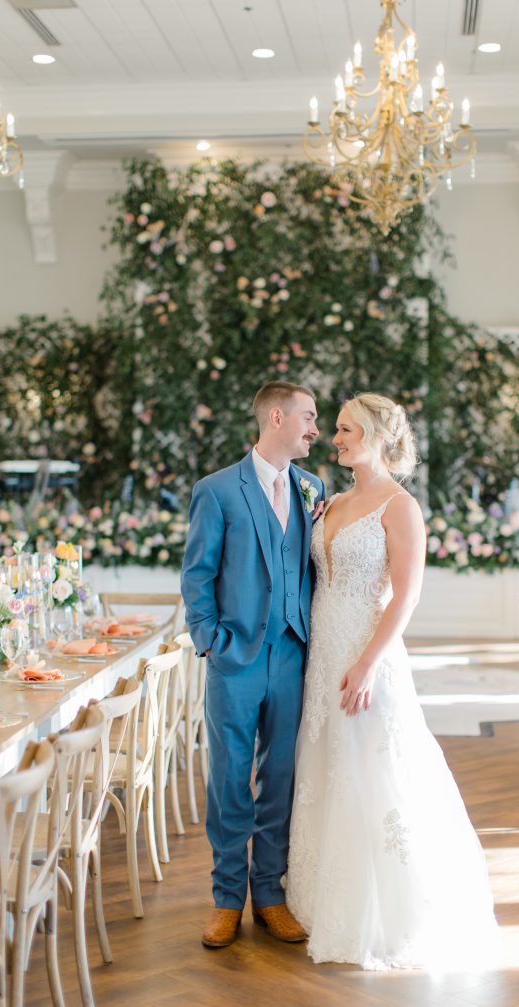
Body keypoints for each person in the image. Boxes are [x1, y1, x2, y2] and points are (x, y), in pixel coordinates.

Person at [286, 392, 498, 971]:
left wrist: (368, 663)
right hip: (322, 654)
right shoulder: (331, 502)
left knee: (373, 770)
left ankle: (382, 911)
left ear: (379, 435)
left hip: (365, 654)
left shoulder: (399, 507)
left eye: (347, 428)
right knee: (327, 763)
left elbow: (406, 596)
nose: (336, 437)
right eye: (335, 428)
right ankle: (318, 896)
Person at [181, 381, 326, 949]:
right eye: (309, 416)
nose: (315, 428)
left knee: (282, 777)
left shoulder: (312, 488)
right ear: (276, 417)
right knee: (228, 779)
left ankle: (269, 893)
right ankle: (225, 899)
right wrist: (210, 639)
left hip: (292, 653)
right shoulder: (217, 491)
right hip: (234, 656)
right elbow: (197, 575)